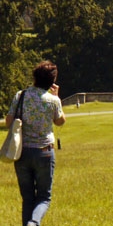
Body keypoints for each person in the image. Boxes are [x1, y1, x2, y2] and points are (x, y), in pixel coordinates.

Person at [6, 60, 66, 226]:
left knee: (28, 198)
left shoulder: (21, 95)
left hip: (22, 152)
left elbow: (8, 121)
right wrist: (57, 97)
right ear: (52, 81)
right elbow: (60, 122)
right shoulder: (53, 100)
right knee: (44, 198)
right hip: (44, 152)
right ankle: (33, 222)